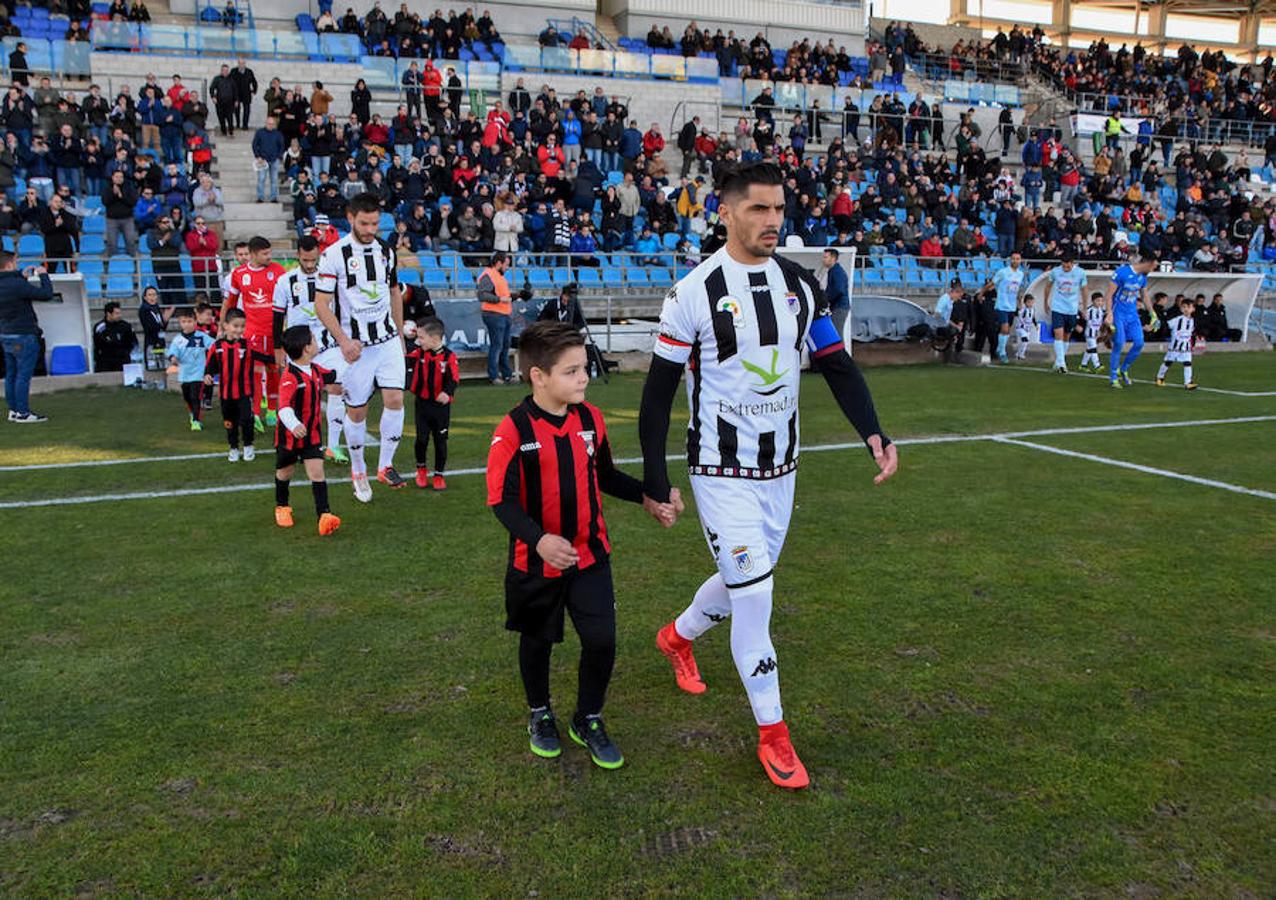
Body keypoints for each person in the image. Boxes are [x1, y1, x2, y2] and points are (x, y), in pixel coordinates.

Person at [638, 161, 897, 790]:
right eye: (758, 209)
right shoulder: (692, 293)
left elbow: (836, 363)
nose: (773, 221)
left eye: (779, 209)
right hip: (719, 471)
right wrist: (653, 476)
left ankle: (676, 636)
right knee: (755, 597)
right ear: (724, 212)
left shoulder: (801, 286)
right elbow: (657, 396)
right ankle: (774, 736)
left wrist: (874, 432)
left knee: (743, 582)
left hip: (782, 470)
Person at [486, 321, 677, 768]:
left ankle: (587, 717)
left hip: (591, 554)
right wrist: (539, 540)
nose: (584, 377)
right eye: (571, 371)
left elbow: (606, 476)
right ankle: (540, 713)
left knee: (602, 640)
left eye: (584, 367)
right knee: (537, 641)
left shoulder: (591, 419)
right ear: (539, 376)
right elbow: (502, 502)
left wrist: (649, 497)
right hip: (536, 563)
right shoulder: (513, 430)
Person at [314, 192, 408, 502]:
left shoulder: (385, 250)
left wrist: (399, 334)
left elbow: (394, 291)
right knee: (357, 411)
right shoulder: (333, 255)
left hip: (386, 340)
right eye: (364, 223)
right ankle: (358, 469)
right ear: (350, 218)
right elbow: (321, 305)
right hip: (356, 347)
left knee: (395, 398)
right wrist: (342, 340)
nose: (370, 229)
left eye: (375, 223)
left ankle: (385, 465)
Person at [273, 234, 347, 463]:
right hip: (299, 349)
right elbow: (277, 317)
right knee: (296, 397)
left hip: (327, 344)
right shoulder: (285, 281)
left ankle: (333, 446)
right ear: (298, 256)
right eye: (305, 260)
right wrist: (278, 350)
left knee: (337, 387)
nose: (309, 265)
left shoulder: (329, 279)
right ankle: (293, 443)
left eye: (313, 260)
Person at [273, 324, 343, 535]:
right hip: (290, 438)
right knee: (285, 472)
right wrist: (294, 425)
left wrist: (357, 362)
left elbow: (333, 375)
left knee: (317, 473)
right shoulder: (289, 377)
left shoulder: (315, 369)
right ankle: (282, 507)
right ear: (306, 348)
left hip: (312, 435)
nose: (317, 341)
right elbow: (283, 407)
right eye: (313, 339)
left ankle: (325, 515)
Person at [222, 235, 285, 429]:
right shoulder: (239, 274)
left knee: (274, 371)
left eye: (270, 252)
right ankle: (255, 413)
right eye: (265, 253)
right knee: (255, 372)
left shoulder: (278, 271)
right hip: (252, 332)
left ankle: (272, 411)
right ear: (254, 254)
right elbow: (230, 303)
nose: (269, 256)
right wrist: (223, 326)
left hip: (274, 331)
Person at [203, 308, 269, 461]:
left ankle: (248, 446)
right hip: (226, 394)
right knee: (229, 423)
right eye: (235, 326)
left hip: (245, 393)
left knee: (247, 420)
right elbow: (210, 364)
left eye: (242, 326)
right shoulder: (217, 346)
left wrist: (276, 360)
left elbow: (262, 356)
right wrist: (208, 374)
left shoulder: (247, 345)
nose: (239, 330)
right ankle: (233, 447)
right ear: (225, 326)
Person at [405, 316, 457, 490]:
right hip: (422, 404)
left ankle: (438, 475)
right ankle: (421, 470)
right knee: (421, 439)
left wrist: (447, 393)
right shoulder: (418, 353)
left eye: (421, 338)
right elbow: (403, 356)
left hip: (441, 407)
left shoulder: (449, 357)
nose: (419, 341)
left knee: (440, 441)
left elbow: (454, 379)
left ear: (435, 339)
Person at [0, 253, 52, 422]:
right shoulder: (17, 285)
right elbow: (46, 294)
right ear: (9, 265)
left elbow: (13, 286)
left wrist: (21, 276)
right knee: (23, 375)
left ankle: (14, 410)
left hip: (6, 333)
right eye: (15, 263)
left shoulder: (12, 283)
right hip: (23, 333)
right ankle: (23, 412)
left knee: (11, 374)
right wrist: (43, 275)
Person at [1103, 252, 1158, 388]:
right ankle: (1113, 377)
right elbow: (1109, 294)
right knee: (1119, 343)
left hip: (1132, 314)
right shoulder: (1121, 272)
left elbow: (1144, 296)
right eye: (1153, 267)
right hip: (1118, 313)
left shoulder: (1142, 278)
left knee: (1139, 342)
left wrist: (1153, 314)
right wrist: (1109, 313)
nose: (1153, 270)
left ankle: (1124, 368)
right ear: (1148, 263)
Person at [165, 307, 216, 430]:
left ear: (195, 321)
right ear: (180, 323)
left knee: (195, 396)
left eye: (190, 321)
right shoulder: (178, 340)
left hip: (198, 373)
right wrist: (173, 359)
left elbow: (214, 345)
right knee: (187, 397)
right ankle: (193, 413)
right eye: (184, 322)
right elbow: (172, 353)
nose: (187, 324)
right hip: (184, 374)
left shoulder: (202, 337)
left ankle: (196, 421)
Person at [1041, 253, 1087, 374]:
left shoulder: (1080, 273)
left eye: (1068, 266)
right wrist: (1046, 302)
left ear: (1072, 264)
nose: (1065, 268)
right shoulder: (1055, 272)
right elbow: (1048, 286)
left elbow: (1084, 289)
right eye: (1063, 266)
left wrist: (1085, 307)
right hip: (1057, 307)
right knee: (1058, 334)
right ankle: (1062, 364)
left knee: (1067, 335)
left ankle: (1058, 361)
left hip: (1072, 309)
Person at [477, 250, 515, 384]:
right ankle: (494, 375)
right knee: (498, 345)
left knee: (504, 345)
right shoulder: (489, 275)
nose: (507, 267)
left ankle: (506, 375)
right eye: (506, 264)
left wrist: (518, 295)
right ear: (499, 263)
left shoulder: (497, 276)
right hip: (494, 314)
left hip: (502, 314)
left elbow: (503, 297)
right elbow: (482, 295)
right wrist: (499, 299)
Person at [988, 252, 1027, 364]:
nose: (1015, 261)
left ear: (1020, 260)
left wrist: (1019, 302)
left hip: (1012, 306)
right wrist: (982, 293)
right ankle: (1002, 352)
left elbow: (1018, 289)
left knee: (1007, 330)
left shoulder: (1020, 274)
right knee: (1004, 328)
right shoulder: (1003, 272)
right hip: (1001, 305)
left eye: (1018, 259)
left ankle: (999, 348)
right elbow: (992, 283)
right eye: (1013, 259)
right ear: (1010, 260)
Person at [1156, 297, 1198, 391]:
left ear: (1193, 309)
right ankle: (1160, 377)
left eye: (1188, 307)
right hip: (1175, 347)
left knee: (1188, 363)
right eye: (1184, 307)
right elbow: (1166, 324)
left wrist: (1193, 343)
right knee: (1168, 362)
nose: (1186, 309)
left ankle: (1188, 383)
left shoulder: (1193, 321)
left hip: (1186, 348)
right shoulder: (1177, 320)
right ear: (1181, 309)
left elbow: (1192, 333)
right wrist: (1156, 324)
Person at [93, 301, 137, 372]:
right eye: (116, 313)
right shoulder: (100, 327)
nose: (119, 315)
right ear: (108, 314)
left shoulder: (126, 326)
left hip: (123, 360)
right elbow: (99, 345)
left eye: (120, 313)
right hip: (105, 362)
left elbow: (133, 342)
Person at [138, 285, 173, 370]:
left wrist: (166, 320)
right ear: (145, 297)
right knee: (152, 369)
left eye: (154, 294)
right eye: (150, 295)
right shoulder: (144, 309)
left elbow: (162, 327)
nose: (152, 297)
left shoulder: (156, 308)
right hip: (151, 342)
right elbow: (150, 327)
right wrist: (164, 321)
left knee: (163, 367)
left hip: (160, 341)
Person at [821, 248, 850, 339]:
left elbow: (839, 289)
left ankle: (840, 353)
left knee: (837, 334)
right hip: (839, 306)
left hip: (839, 307)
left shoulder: (836, 271)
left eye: (825, 257)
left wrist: (827, 299)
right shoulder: (835, 270)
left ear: (833, 258)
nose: (823, 260)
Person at [1080, 292, 1106, 373]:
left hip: (1096, 333)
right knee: (1093, 348)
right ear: (1093, 301)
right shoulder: (1089, 310)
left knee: (1089, 349)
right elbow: (1086, 320)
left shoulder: (1101, 310)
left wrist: (1101, 331)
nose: (1100, 303)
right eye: (1098, 301)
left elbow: (1101, 322)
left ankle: (1083, 365)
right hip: (1090, 333)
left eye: (1101, 301)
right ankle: (1097, 365)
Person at [1014, 294, 1038, 361]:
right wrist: (1020, 300)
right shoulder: (1023, 309)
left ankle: (1018, 354)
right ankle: (1021, 355)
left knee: (1024, 342)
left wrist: (1036, 325)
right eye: (1029, 302)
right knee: (1025, 340)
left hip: (1028, 328)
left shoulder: (1032, 309)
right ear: (1025, 302)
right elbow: (1018, 310)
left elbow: (1033, 318)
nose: (1030, 304)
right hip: (1021, 328)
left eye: (1032, 302)